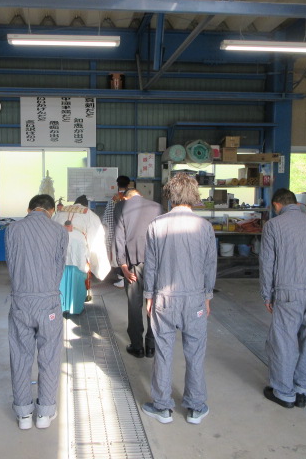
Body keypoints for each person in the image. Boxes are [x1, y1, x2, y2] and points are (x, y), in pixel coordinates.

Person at [141, 173, 216, 425]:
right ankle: (195, 408)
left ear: (170, 196)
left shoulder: (156, 225)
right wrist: (207, 296)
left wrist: (148, 295)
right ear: (194, 195)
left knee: (163, 351)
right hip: (194, 299)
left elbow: (150, 265)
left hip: (164, 298)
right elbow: (210, 266)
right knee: (195, 353)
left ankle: (162, 407)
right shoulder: (204, 227)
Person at [260, 188, 306, 409]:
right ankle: (302, 391)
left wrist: (267, 294)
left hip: (288, 292)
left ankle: (284, 393)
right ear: (296, 204)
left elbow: (267, 263)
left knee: (284, 342)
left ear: (277, 205)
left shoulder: (273, 225)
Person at [6, 194, 68, 430]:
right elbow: (59, 265)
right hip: (48, 301)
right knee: (49, 356)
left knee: (20, 355)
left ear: (29, 209)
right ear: (51, 211)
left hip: (21, 300)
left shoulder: (12, 229)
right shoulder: (59, 231)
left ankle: (23, 414)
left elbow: (11, 264)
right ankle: (44, 413)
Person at [114, 188, 163, 358]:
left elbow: (119, 237)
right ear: (140, 194)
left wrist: (123, 266)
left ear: (126, 197)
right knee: (154, 302)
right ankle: (151, 346)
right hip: (155, 263)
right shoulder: (157, 207)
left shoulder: (122, 206)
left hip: (133, 265)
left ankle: (137, 346)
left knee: (134, 305)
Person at [53, 194, 111, 313]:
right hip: (78, 246)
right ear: (86, 205)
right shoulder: (89, 213)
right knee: (79, 273)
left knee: (60, 273)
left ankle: (61, 305)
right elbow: (97, 236)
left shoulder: (60, 212)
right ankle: (75, 308)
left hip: (59, 243)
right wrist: (95, 260)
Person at [103, 175, 131, 287]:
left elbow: (107, 217)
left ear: (117, 185)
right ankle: (126, 276)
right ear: (128, 185)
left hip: (116, 230)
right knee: (127, 253)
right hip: (128, 230)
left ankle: (121, 278)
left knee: (118, 253)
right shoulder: (130, 198)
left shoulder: (114, 198)